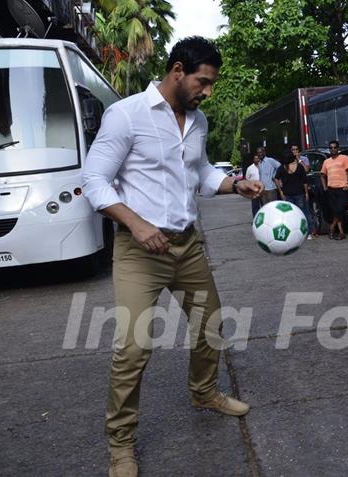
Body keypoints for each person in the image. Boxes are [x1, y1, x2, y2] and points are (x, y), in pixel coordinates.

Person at [82, 37, 263, 477]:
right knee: (133, 347)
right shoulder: (127, 115)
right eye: (204, 81)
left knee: (212, 326)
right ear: (178, 71)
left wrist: (233, 184)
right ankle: (120, 444)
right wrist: (137, 224)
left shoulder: (197, 122)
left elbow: (200, 172)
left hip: (187, 244)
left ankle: (204, 391)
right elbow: (94, 181)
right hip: (139, 249)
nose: (208, 92)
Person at [275, 150, 315, 239]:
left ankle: (296, 234)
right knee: (304, 213)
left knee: (290, 215)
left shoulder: (282, 168)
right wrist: (306, 193)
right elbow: (305, 181)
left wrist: (280, 191)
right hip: (299, 194)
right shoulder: (299, 167)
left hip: (288, 194)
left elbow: (276, 179)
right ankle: (309, 233)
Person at [320, 140, 348, 240]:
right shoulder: (326, 161)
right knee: (336, 212)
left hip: (342, 188)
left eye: (335, 147)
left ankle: (331, 227)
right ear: (329, 149)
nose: (333, 149)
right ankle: (342, 233)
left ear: (338, 148)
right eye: (331, 148)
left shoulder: (344, 158)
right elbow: (322, 175)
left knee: (340, 209)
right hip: (331, 189)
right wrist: (325, 187)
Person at [245, 152, 261, 217]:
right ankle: (255, 219)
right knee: (255, 206)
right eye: (255, 158)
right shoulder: (250, 168)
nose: (256, 160)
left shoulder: (262, 166)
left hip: (263, 188)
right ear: (253, 159)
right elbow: (247, 178)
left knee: (264, 205)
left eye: (257, 158)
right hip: (254, 189)